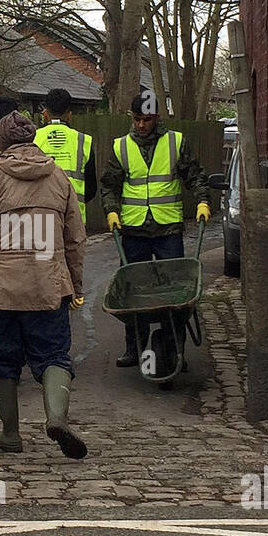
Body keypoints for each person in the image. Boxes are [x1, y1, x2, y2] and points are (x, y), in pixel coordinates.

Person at [0, 111, 88, 458]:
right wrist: (76, 284)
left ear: (0, 142)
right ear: (33, 141)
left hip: (2, 290)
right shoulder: (59, 177)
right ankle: (56, 417)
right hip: (49, 286)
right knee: (54, 355)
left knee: (2, 359)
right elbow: (75, 237)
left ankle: (10, 433)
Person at [100, 92, 211, 368]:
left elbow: (194, 175)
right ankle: (133, 348)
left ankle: (175, 351)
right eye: (137, 119)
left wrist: (202, 201)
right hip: (134, 228)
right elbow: (110, 185)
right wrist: (111, 210)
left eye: (146, 120)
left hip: (167, 228)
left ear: (157, 118)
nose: (141, 125)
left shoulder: (175, 142)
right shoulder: (121, 147)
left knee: (175, 292)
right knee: (133, 291)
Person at [35, 88, 97, 222]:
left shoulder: (32, 139)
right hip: (74, 218)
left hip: (40, 217)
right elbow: (91, 188)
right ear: (69, 115)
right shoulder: (84, 141)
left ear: (45, 114)